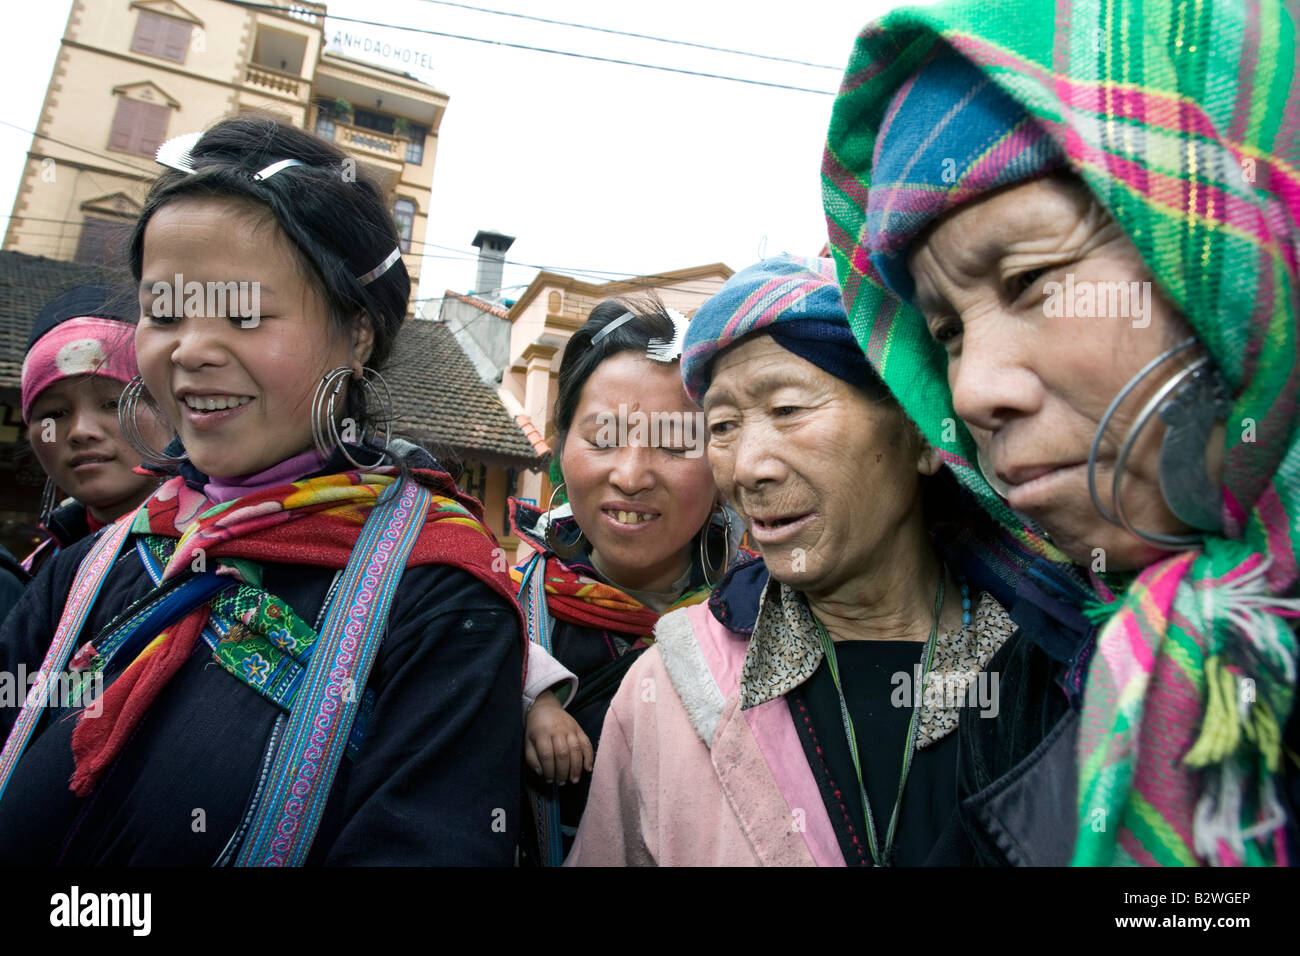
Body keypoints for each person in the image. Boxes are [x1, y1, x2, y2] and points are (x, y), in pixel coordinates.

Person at [822, 0, 1299, 865]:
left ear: (1237, 245)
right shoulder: (1042, 686)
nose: (970, 392)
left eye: (1032, 278)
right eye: (946, 335)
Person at [0, 114, 524, 865]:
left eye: (242, 312)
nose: (191, 350)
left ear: (358, 333)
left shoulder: (440, 602)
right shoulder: (91, 570)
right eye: (163, 312)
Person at [569, 255, 1066, 866]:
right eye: (722, 425)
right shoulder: (669, 685)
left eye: (788, 410)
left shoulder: (1057, 669)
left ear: (918, 433)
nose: (749, 466)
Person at [511, 296, 742, 864]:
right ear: (561, 445)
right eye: (604, 438)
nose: (632, 475)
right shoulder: (495, 612)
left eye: (673, 443)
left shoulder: (764, 623)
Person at [19, 285, 169, 577]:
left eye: (114, 403)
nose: (81, 431)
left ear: (172, 409)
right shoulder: (35, 570)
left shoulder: (216, 560)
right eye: (54, 413)